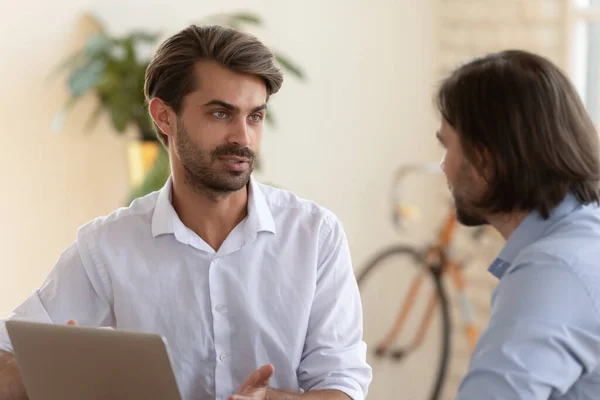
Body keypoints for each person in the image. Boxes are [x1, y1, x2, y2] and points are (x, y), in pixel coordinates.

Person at [0, 24, 372, 400]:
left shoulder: (314, 235)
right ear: (164, 116)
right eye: (220, 114)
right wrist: (51, 374)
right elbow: (8, 356)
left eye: (254, 116)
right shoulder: (108, 246)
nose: (243, 138)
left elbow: (342, 384)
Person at [435, 49, 600, 399]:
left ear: (486, 159)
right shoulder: (585, 237)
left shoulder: (553, 270)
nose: (443, 167)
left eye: (447, 147)